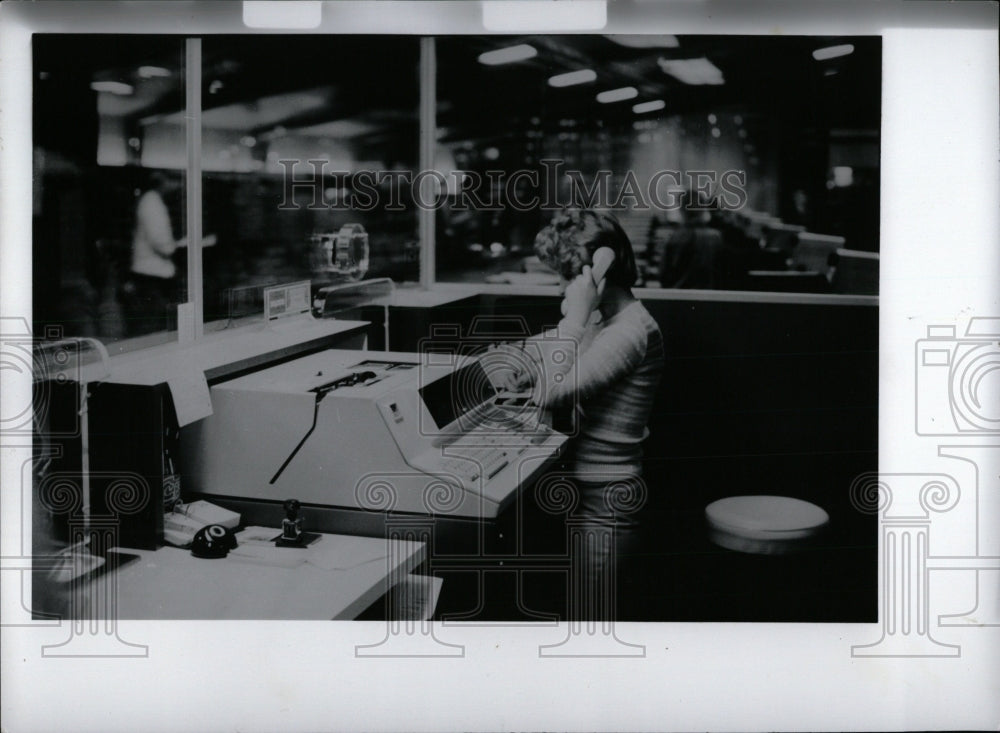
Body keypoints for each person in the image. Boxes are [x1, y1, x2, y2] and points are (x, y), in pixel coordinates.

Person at [504, 208, 664, 619]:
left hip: (606, 499)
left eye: (565, 276)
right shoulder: (607, 320)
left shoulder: (629, 332)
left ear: (600, 269)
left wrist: (574, 316)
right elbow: (544, 350)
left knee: (590, 617)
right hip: (592, 491)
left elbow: (551, 390)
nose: (560, 286)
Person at [121, 170, 215, 337]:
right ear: (163, 181)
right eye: (174, 182)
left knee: (154, 325)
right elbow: (163, 245)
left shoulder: (152, 201)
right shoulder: (152, 203)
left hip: (151, 274)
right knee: (151, 328)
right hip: (151, 275)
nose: (177, 187)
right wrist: (189, 243)